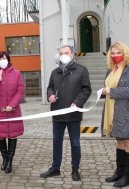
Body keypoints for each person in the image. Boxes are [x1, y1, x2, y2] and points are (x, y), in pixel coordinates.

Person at [40, 45, 92, 181]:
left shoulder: (81, 70)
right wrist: (50, 95)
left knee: (75, 143)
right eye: (61, 53)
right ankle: (55, 168)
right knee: (57, 142)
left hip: (73, 114)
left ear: (72, 54)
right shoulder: (55, 72)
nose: (64, 55)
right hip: (57, 113)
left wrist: (77, 102)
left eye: (66, 53)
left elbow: (86, 89)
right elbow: (49, 87)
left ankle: (75, 170)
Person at [101, 42, 129, 187]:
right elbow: (109, 85)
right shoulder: (112, 68)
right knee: (120, 141)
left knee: (128, 142)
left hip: (127, 112)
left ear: (125, 52)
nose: (115, 56)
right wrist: (103, 91)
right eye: (112, 53)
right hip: (114, 111)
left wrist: (111, 92)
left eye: (118, 52)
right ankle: (119, 173)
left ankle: (128, 176)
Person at [0, 51, 24, 173]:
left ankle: (10, 161)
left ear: (9, 60)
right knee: (0, 136)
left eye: (5, 58)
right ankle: (4, 159)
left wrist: (12, 105)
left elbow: (20, 91)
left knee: (12, 135)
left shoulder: (17, 74)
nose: (3, 60)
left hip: (13, 111)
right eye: (0, 59)